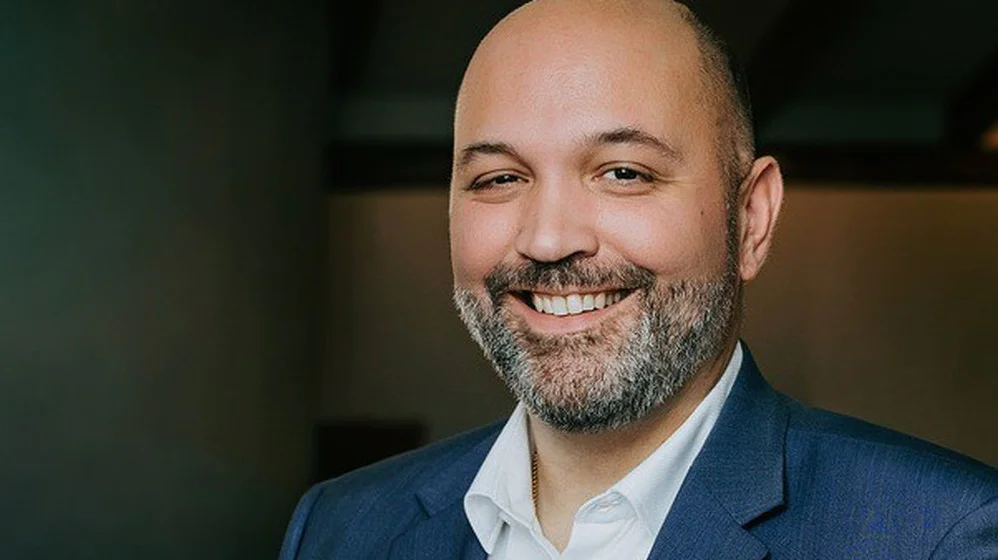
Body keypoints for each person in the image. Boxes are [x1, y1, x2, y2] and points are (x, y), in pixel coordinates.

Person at [279, 0, 998, 558]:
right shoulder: (339, 529)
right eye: (499, 178)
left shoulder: (944, 535)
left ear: (751, 218)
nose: (548, 239)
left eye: (624, 172)